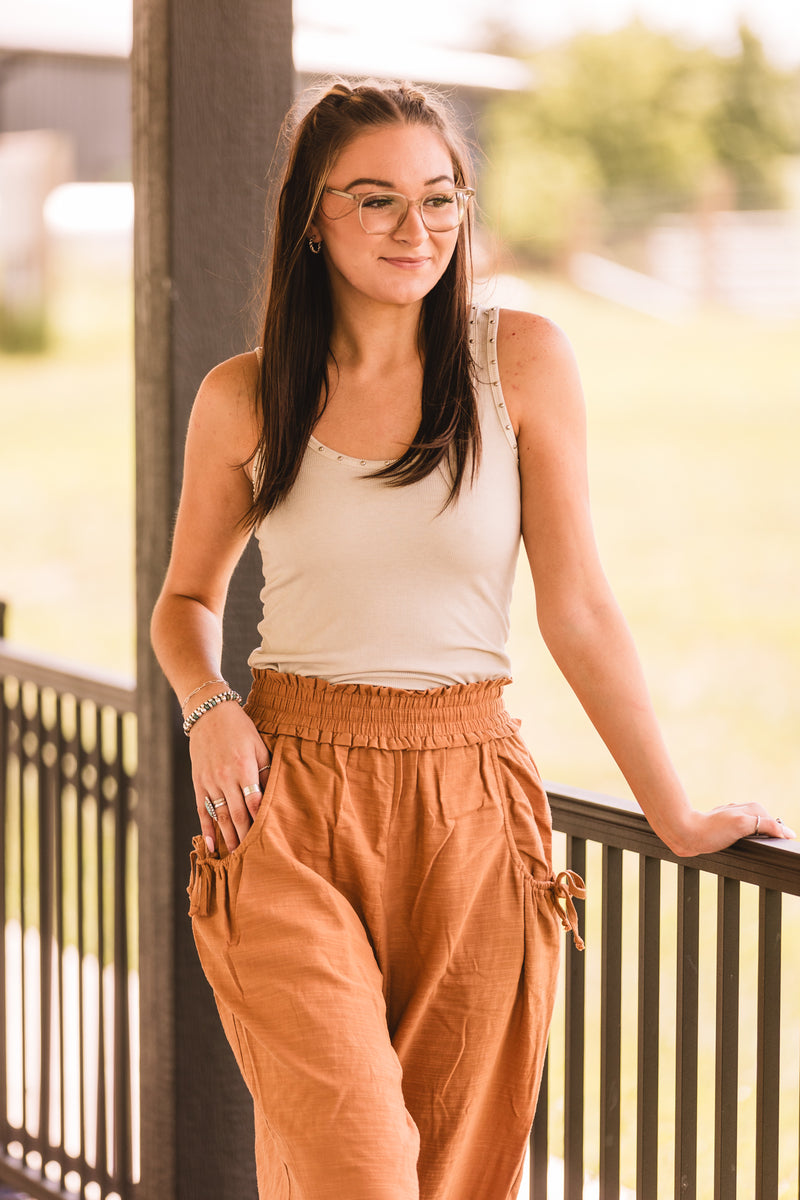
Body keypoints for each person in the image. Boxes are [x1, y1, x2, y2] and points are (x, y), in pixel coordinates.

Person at [150, 78, 793, 1200]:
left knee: (450, 1174)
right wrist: (207, 705)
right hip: (287, 802)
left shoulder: (520, 363)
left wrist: (676, 813)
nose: (418, 231)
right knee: (360, 1166)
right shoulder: (245, 397)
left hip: (471, 807)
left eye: (439, 199)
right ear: (311, 218)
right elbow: (184, 601)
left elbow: (577, 606)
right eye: (376, 202)